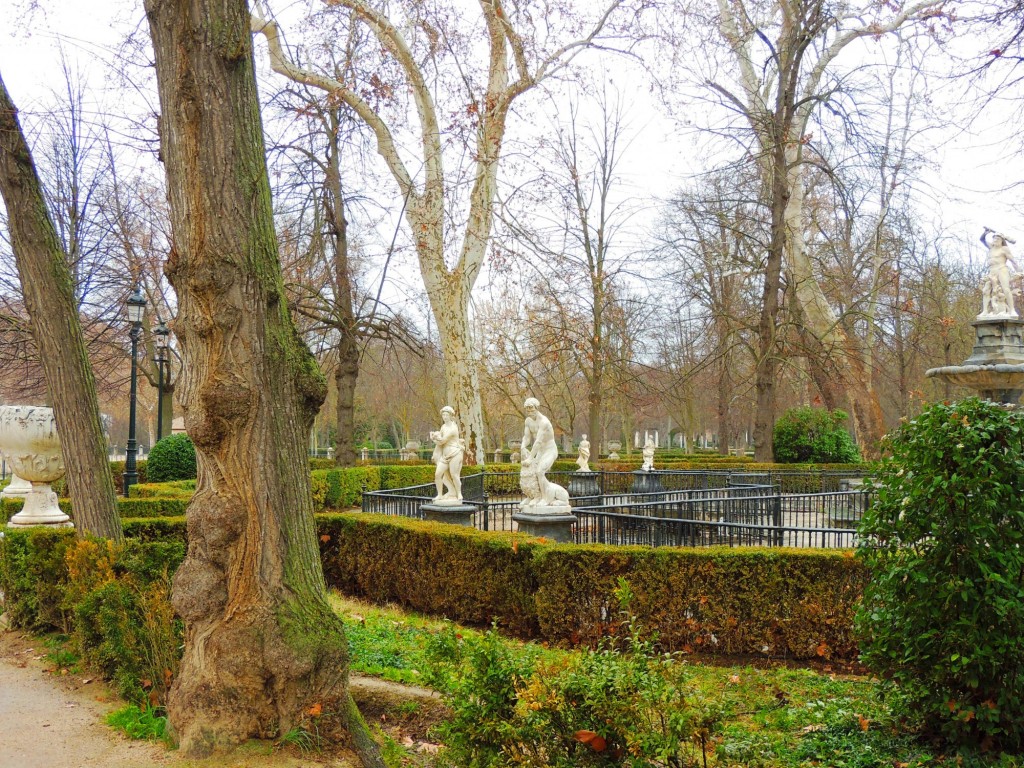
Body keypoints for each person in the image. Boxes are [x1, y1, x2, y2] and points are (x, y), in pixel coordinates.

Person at [520, 397, 560, 507]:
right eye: (527, 409)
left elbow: (538, 441)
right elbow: (527, 438)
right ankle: (533, 497)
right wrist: (522, 447)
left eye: (531, 408)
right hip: (540, 451)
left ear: (537, 408)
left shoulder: (544, 422)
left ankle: (546, 499)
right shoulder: (528, 421)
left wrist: (530, 458)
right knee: (532, 472)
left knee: (539, 472)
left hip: (550, 450)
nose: (529, 411)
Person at [430, 406, 464, 503]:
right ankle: (440, 495)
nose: (444, 417)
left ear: (451, 416)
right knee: (437, 474)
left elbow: (442, 440)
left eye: (446, 415)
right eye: (443, 415)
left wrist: (433, 438)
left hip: (454, 453)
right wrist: (435, 437)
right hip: (445, 456)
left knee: (454, 474)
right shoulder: (443, 427)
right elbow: (440, 441)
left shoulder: (453, 428)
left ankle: (459, 493)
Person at [981, 228, 1019, 317]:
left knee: (1006, 289)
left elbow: (1013, 260)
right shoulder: (991, 247)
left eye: (998, 239)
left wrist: (1019, 271)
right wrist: (985, 233)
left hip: (1002, 269)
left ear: (1002, 240)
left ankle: (1012, 310)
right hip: (992, 271)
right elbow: (982, 240)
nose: (995, 240)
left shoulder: (1004, 249)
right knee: (986, 290)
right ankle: (985, 311)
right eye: (994, 238)